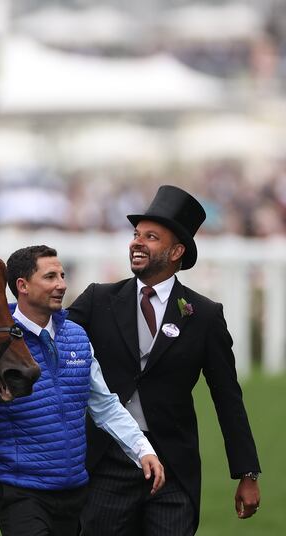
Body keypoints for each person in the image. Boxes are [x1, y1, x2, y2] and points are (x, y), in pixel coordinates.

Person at [67, 185, 262, 535]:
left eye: (151, 237)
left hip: (174, 469)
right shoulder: (98, 299)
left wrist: (247, 474)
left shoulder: (203, 315)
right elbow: (49, 337)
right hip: (107, 462)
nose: (136, 242)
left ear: (176, 251)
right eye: (136, 234)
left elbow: (227, 397)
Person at [0, 245, 165, 536]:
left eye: (63, 275)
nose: (62, 284)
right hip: (18, 490)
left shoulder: (77, 336)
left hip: (74, 490)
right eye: (50, 277)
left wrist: (142, 451)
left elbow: (105, 406)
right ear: (23, 286)